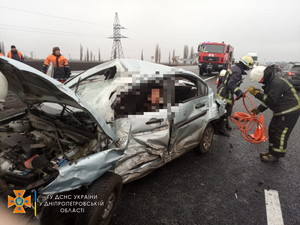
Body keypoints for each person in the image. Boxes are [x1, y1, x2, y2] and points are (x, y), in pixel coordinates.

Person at [248, 65, 300, 162]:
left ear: (261, 77)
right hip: (280, 111)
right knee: (272, 130)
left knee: (280, 133)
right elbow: (268, 98)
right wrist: (259, 109)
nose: (259, 82)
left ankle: (276, 155)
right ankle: (272, 152)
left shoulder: (276, 83)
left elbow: (271, 100)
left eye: (259, 80)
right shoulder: (270, 82)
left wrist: (257, 94)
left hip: (289, 111)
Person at [216, 55, 254, 136]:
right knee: (226, 111)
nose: (248, 68)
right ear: (246, 64)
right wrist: (239, 92)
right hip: (225, 93)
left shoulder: (235, 68)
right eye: (248, 66)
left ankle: (225, 125)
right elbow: (231, 84)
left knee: (226, 109)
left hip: (224, 91)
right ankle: (221, 129)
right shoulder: (237, 71)